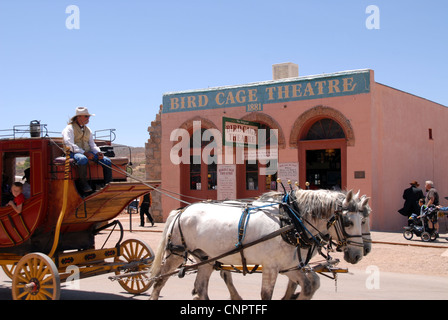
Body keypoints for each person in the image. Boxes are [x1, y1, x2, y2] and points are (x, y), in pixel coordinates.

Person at [62, 107, 112, 193]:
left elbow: (92, 144)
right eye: (86, 116)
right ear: (79, 117)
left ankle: (108, 185)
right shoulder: (69, 129)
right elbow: (69, 144)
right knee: (82, 159)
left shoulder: (88, 130)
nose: (88, 118)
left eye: (88, 116)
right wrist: (84, 153)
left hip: (87, 152)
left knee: (107, 161)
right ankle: (83, 184)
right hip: (73, 153)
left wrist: (98, 152)